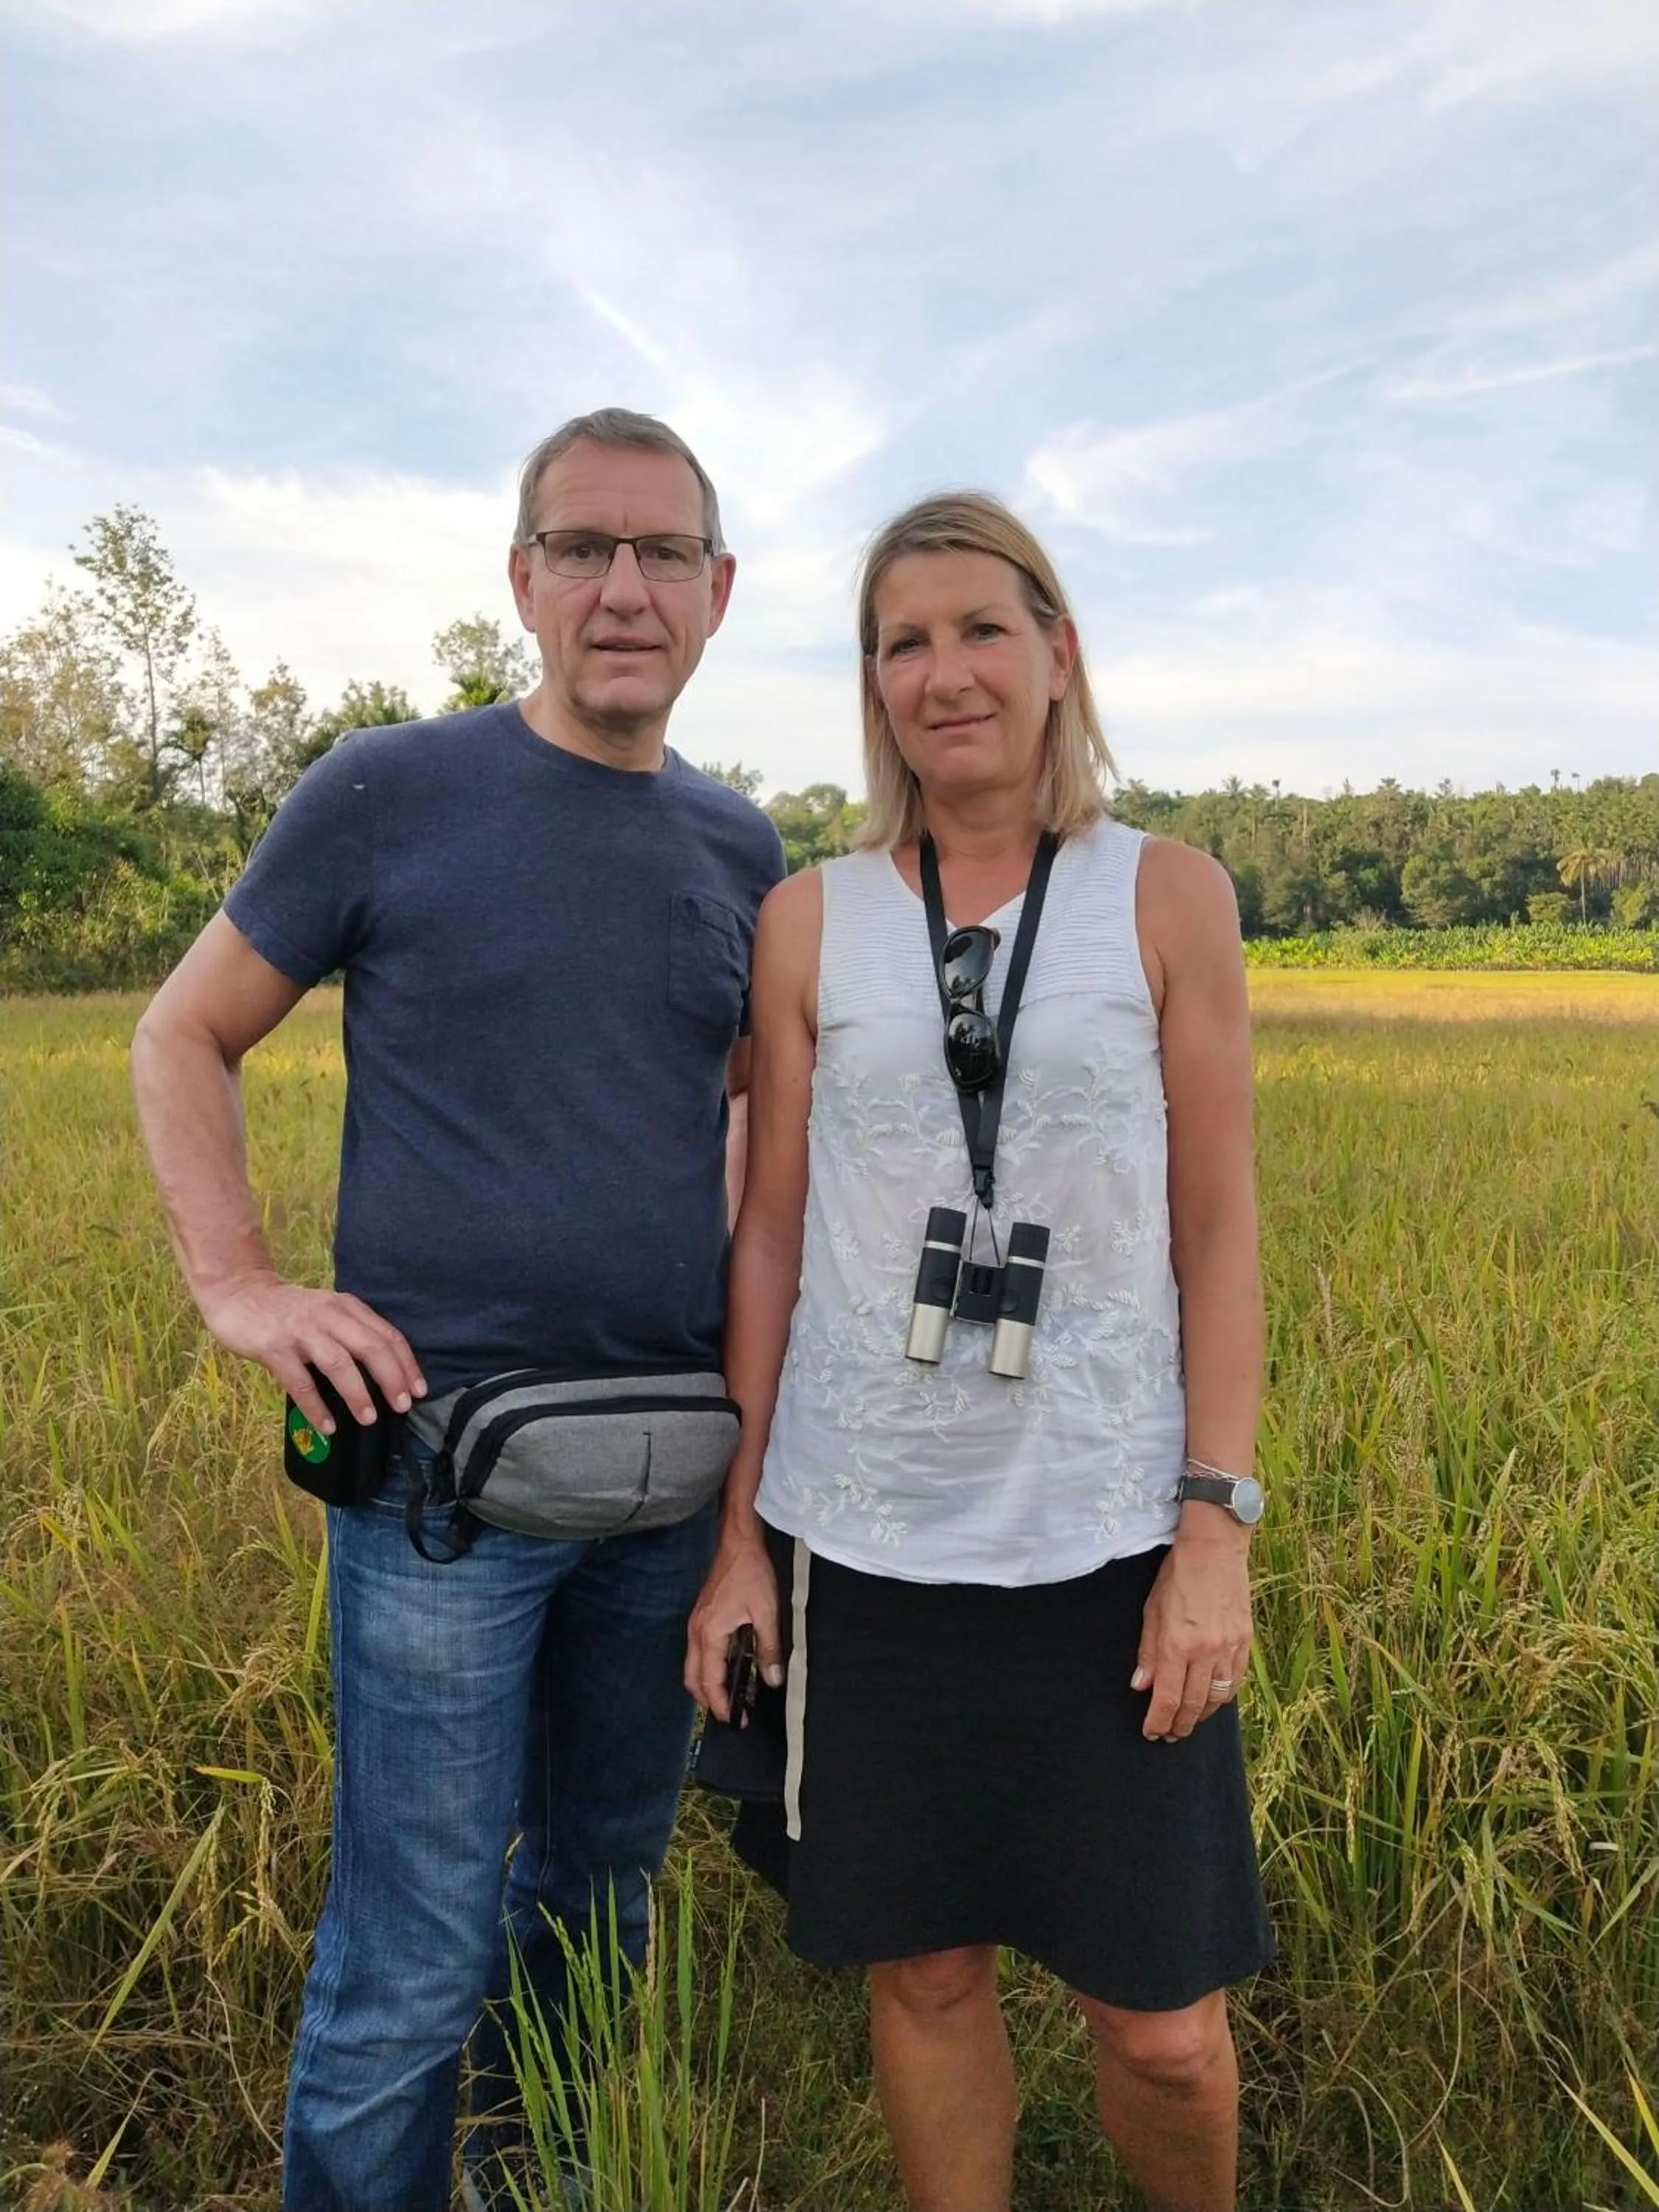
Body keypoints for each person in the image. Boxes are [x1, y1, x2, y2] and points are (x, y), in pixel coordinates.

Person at [131, 408, 785, 2212]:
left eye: (664, 553)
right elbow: (182, 1032)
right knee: (415, 1951)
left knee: (598, 1901)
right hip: (436, 1489)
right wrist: (239, 1284)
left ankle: (542, 2184)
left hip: (668, 1489)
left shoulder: (743, 848)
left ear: (719, 591)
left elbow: (743, 1127)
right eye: (584, 548)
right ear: (523, 579)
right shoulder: (388, 791)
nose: (625, 588)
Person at [686, 491, 1272, 2212]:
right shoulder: (812, 920)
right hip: (871, 1542)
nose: (943, 675)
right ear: (873, 683)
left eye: (981, 631)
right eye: (903, 644)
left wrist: (1215, 1529)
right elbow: (770, 1236)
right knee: (929, 1976)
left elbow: (1220, 1229)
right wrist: (740, 1538)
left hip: (1109, 1539)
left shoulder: (1167, 896)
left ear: (1058, 652)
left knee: (1162, 2028)